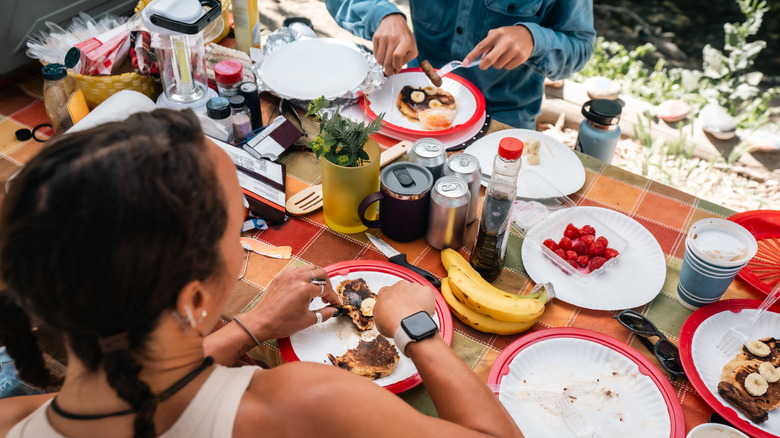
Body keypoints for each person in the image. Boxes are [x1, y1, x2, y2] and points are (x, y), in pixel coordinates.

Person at [0, 109, 523, 438]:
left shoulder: (15, 419)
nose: (250, 236)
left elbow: (128, 387)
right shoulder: (306, 403)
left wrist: (250, 327)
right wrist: (419, 334)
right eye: (242, 224)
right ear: (197, 299)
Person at [325, 0, 595, 129]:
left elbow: (580, 46)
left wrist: (535, 40)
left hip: (503, 116)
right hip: (411, 102)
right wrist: (382, 15)